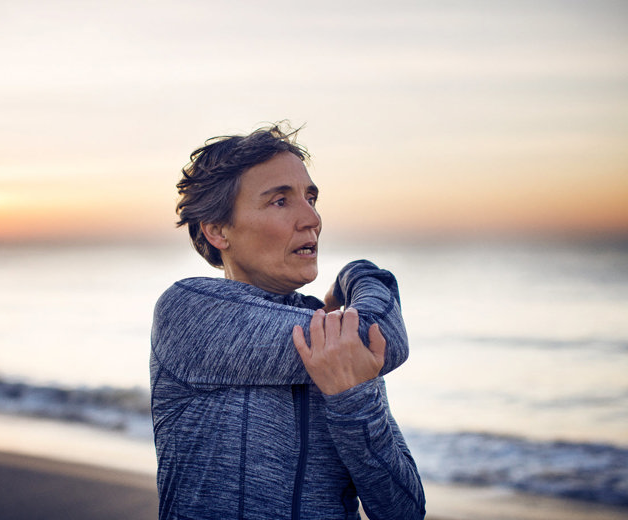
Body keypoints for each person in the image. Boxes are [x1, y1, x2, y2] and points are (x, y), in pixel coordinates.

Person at [150, 123, 426, 519]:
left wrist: (354, 402)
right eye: (280, 201)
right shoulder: (189, 312)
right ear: (217, 231)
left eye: (310, 197)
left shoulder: (332, 328)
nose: (311, 218)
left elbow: (404, 509)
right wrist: (361, 274)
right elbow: (384, 335)